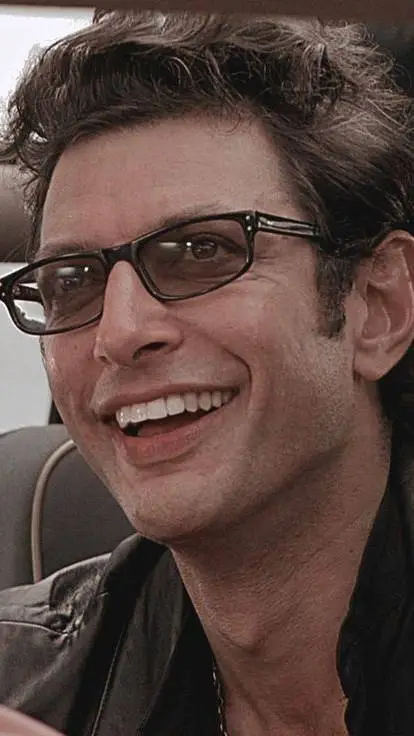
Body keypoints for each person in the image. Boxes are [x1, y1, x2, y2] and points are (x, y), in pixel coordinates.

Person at [0, 10, 414, 736]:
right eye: (74, 279)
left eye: (202, 251)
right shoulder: (21, 683)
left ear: (378, 308)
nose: (120, 333)